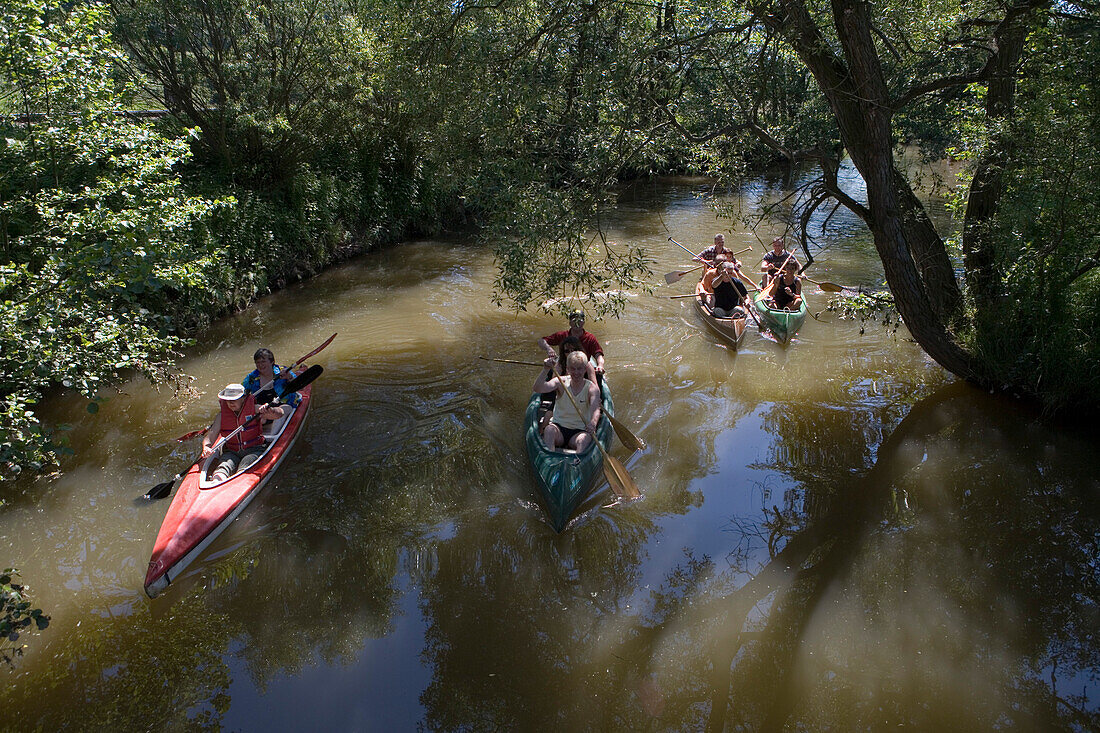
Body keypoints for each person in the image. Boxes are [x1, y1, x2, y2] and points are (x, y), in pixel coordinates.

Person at [201, 384, 287, 481]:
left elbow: (280, 414)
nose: (230, 402)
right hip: (231, 451)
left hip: (254, 449)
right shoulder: (221, 416)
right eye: (228, 400)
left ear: (243, 398)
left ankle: (239, 479)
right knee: (224, 466)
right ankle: (217, 480)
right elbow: (210, 436)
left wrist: (271, 410)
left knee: (246, 463)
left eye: (234, 399)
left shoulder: (255, 409)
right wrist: (206, 447)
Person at [533, 351, 602, 452]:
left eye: (579, 369)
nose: (576, 373)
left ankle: (577, 464)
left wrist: (593, 423)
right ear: (568, 369)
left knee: (583, 440)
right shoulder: (561, 382)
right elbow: (538, 388)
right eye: (573, 369)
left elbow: (596, 410)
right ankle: (549, 460)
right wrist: (545, 370)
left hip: (579, 432)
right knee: (549, 430)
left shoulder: (591, 388)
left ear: (585, 369)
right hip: (559, 428)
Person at [537, 312, 605, 381]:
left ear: (583, 322)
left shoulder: (590, 338)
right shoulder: (562, 335)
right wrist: (549, 349)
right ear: (569, 323)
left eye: (579, 320)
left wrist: (600, 365)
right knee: (550, 374)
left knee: (598, 377)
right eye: (574, 320)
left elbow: (598, 354)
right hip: (564, 367)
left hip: (582, 369)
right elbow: (541, 341)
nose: (576, 323)